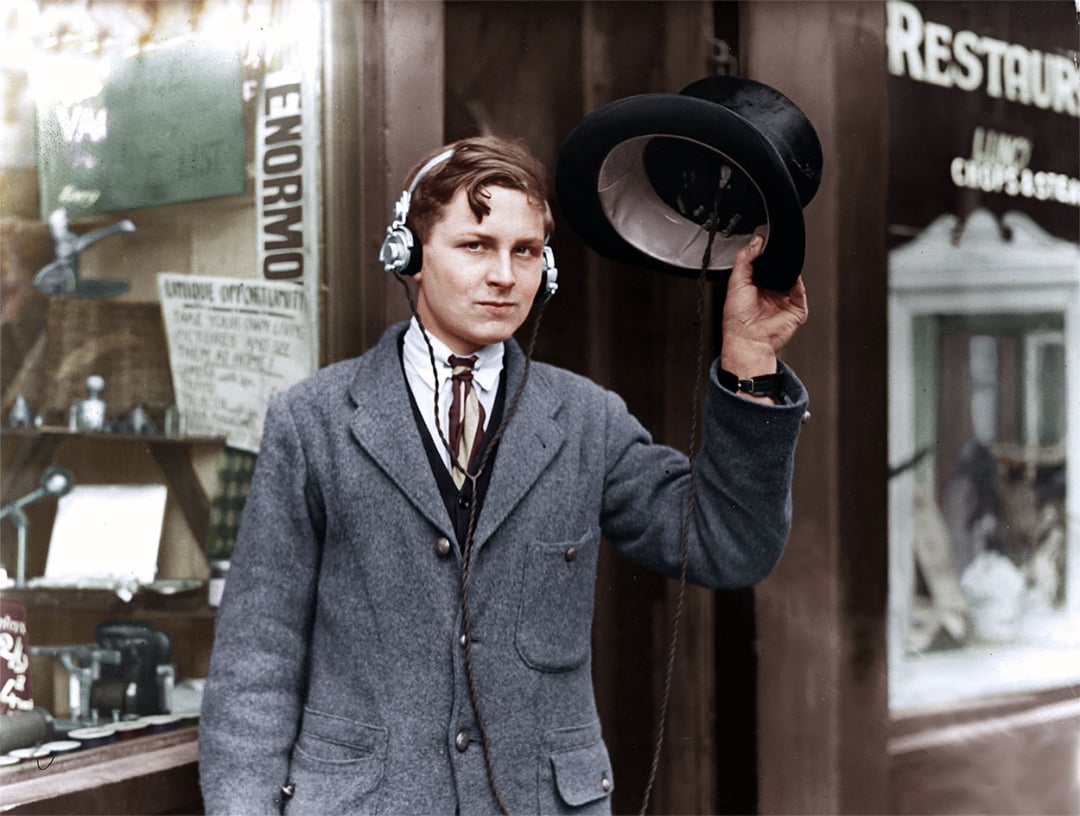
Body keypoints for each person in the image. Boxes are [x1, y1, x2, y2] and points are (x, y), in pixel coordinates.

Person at [199, 135, 809, 815]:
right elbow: (256, 664)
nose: (504, 275)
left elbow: (730, 541)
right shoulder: (312, 422)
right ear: (409, 255)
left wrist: (749, 359)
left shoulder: (586, 420)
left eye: (524, 252)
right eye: (475, 246)